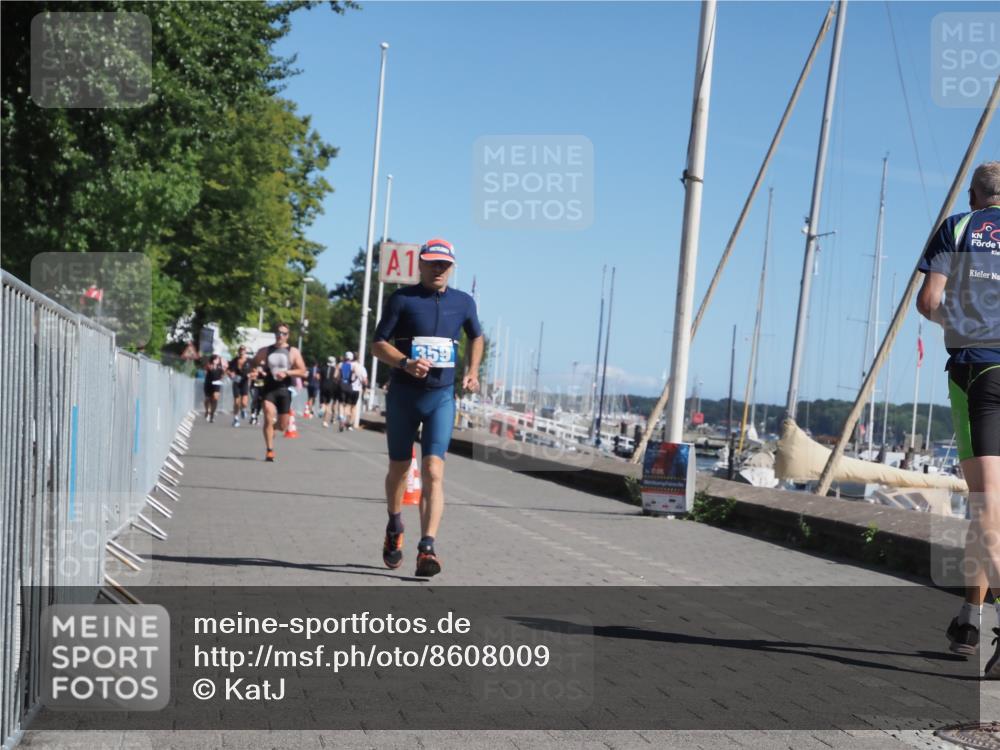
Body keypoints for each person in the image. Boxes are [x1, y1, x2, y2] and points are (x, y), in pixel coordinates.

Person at [917, 162, 1000, 675]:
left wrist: (965, 321)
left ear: (975, 196)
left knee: (986, 507)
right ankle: (971, 618)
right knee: (988, 509)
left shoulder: (958, 226)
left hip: (978, 371)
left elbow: (929, 301)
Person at [371, 238, 483, 577]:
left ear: (452, 267)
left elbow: (476, 336)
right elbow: (377, 344)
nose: (438, 269)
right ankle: (394, 525)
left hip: (441, 397)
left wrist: (472, 371)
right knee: (400, 470)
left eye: (444, 264)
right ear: (420, 264)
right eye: (432, 263)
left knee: (434, 471)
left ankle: (427, 548)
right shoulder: (403, 299)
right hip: (404, 395)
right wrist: (405, 363)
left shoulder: (464, 302)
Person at [250, 322, 308, 462]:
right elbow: (254, 362)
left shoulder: (293, 351)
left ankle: (272, 430)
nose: (280, 335)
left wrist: (287, 373)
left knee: (282, 426)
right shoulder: (266, 350)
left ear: (288, 336)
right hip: (269, 388)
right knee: (268, 416)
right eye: (278, 333)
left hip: (284, 390)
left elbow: (303, 371)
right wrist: (255, 370)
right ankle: (269, 450)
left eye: (283, 333)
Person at [338, 351, 368, 431]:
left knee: (346, 405)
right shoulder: (361, 367)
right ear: (358, 358)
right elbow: (365, 381)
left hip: (348, 386)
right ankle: (350, 423)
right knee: (353, 407)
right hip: (356, 389)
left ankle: (343, 419)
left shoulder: (347, 365)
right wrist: (364, 387)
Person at [227, 346, 252, 427]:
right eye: (240, 350)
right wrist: (230, 374)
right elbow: (228, 370)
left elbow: (256, 372)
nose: (242, 352)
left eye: (243, 350)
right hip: (236, 382)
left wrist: (250, 375)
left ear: (245, 352)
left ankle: (243, 409)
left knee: (244, 402)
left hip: (244, 382)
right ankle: (236, 418)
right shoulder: (234, 360)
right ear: (238, 351)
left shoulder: (249, 361)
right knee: (236, 402)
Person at [202, 354, 226, 423]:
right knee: (208, 398)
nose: (216, 360)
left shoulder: (220, 367)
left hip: (217, 383)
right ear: (212, 360)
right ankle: (207, 410)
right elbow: (205, 370)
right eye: (215, 359)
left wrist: (223, 371)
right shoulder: (209, 365)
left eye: (218, 359)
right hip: (208, 383)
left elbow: (223, 374)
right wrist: (209, 367)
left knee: (215, 399)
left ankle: (212, 414)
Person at [320, 355, 339, 427]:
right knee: (328, 404)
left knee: (323, 402)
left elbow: (319, 377)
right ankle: (325, 421)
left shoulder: (323, 368)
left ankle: (322, 408)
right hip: (331, 387)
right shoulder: (334, 369)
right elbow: (336, 377)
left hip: (323, 386)